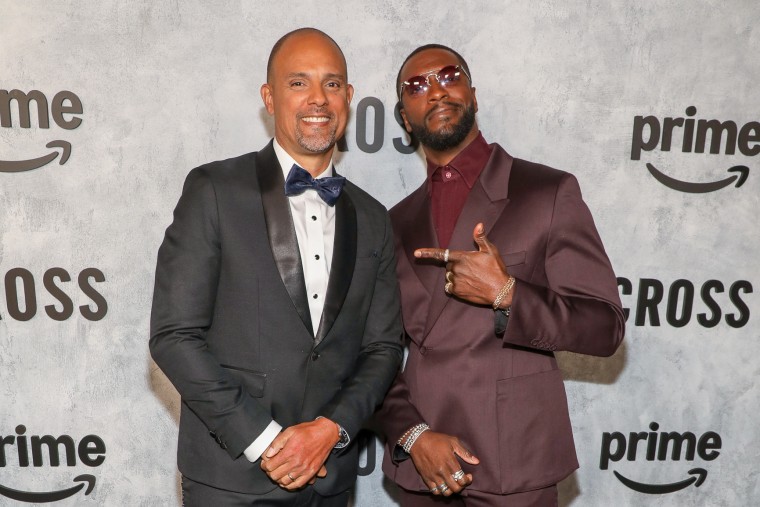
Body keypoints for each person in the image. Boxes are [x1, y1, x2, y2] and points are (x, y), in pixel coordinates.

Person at [149, 28, 403, 506]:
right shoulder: (215, 191)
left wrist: (331, 429)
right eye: (297, 83)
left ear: (348, 97)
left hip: (329, 481)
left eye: (332, 84)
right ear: (269, 97)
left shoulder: (372, 218)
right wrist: (267, 442)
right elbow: (174, 335)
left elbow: (384, 348)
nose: (318, 99)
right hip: (232, 481)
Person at [375, 44, 626, 507]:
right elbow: (376, 353)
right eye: (417, 85)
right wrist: (412, 436)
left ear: (472, 94)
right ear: (405, 119)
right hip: (425, 468)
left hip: (515, 464)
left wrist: (509, 294)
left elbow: (605, 326)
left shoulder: (546, 191)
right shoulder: (393, 222)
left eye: (450, 76)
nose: (435, 90)